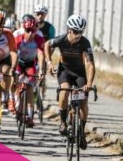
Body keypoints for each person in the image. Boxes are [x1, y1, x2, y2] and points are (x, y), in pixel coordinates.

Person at [44, 15, 95, 150]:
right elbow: (47, 45)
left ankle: (82, 133)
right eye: (76, 32)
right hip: (65, 71)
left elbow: (90, 64)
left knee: (83, 102)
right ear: (69, 30)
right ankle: (62, 122)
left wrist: (89, 83)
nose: (78, 35)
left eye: (81, 32)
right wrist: (49, 63)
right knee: (64, 92)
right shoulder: (61, 39)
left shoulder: (84, 43)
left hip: (79, 73)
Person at [13, 14, 45, 127]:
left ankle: (30, 116)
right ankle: (15, 103)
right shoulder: (17, 35)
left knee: (30, 88)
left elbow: (41, 54)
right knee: (15, 82)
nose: (31, 34)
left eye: (33, 31)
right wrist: (13, 71)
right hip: (18, 62)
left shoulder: (39, 36)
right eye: (28, 30)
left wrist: (41, 70)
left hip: (31, 63)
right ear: (23, 28)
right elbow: (13, 54)